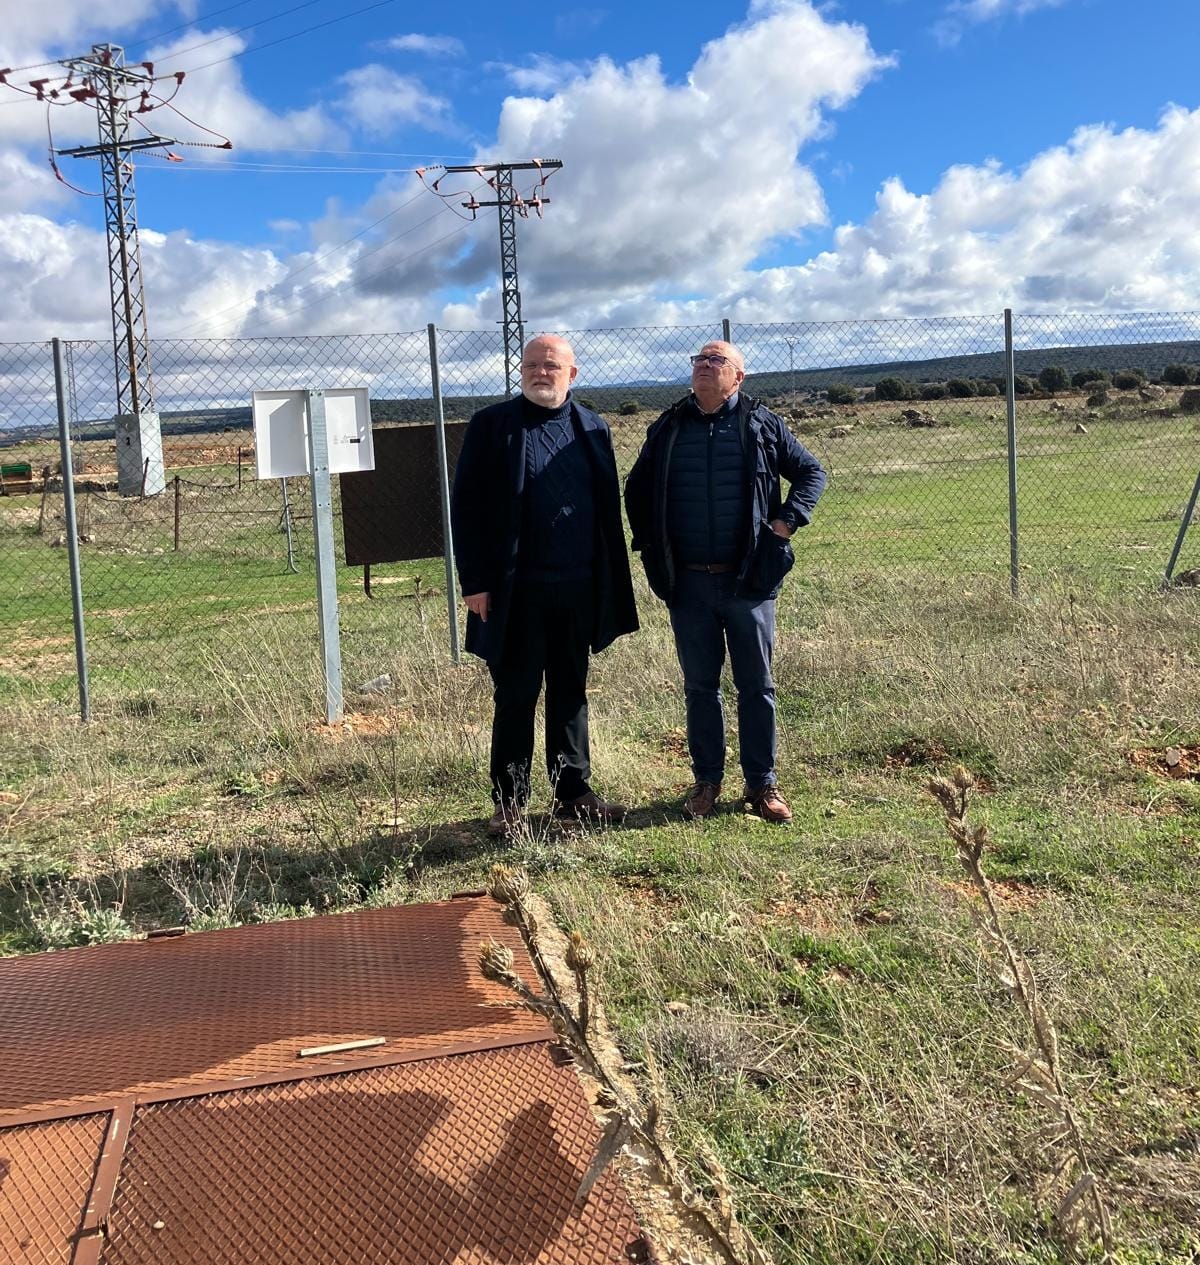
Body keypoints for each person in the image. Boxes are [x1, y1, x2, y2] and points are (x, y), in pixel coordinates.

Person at [624, 340, 826, 823]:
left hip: (749, 583)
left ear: (739, 377)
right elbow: (637, 488)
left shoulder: (762, 423)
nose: (704, 367)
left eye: (717, 361)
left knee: (757, 686)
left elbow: (811, 473)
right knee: (700, 687)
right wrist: (651, 544)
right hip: (689, 584)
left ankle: (762, 785)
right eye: (699, 360)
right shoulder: (669, 426)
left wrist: (783, 525)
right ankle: (706, 782)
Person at [451, 334, 639, 836]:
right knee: (515, 694)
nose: (540, 373)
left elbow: (606, 511)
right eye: (532, 365)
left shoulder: (593, 427)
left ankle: (572, 793)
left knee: (571, 691)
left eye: (551, 366)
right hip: (516, 592)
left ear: (571, 374)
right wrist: (475, 583)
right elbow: (465, 509)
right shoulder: (492, 426)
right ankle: (509, 804)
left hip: (578, 586)